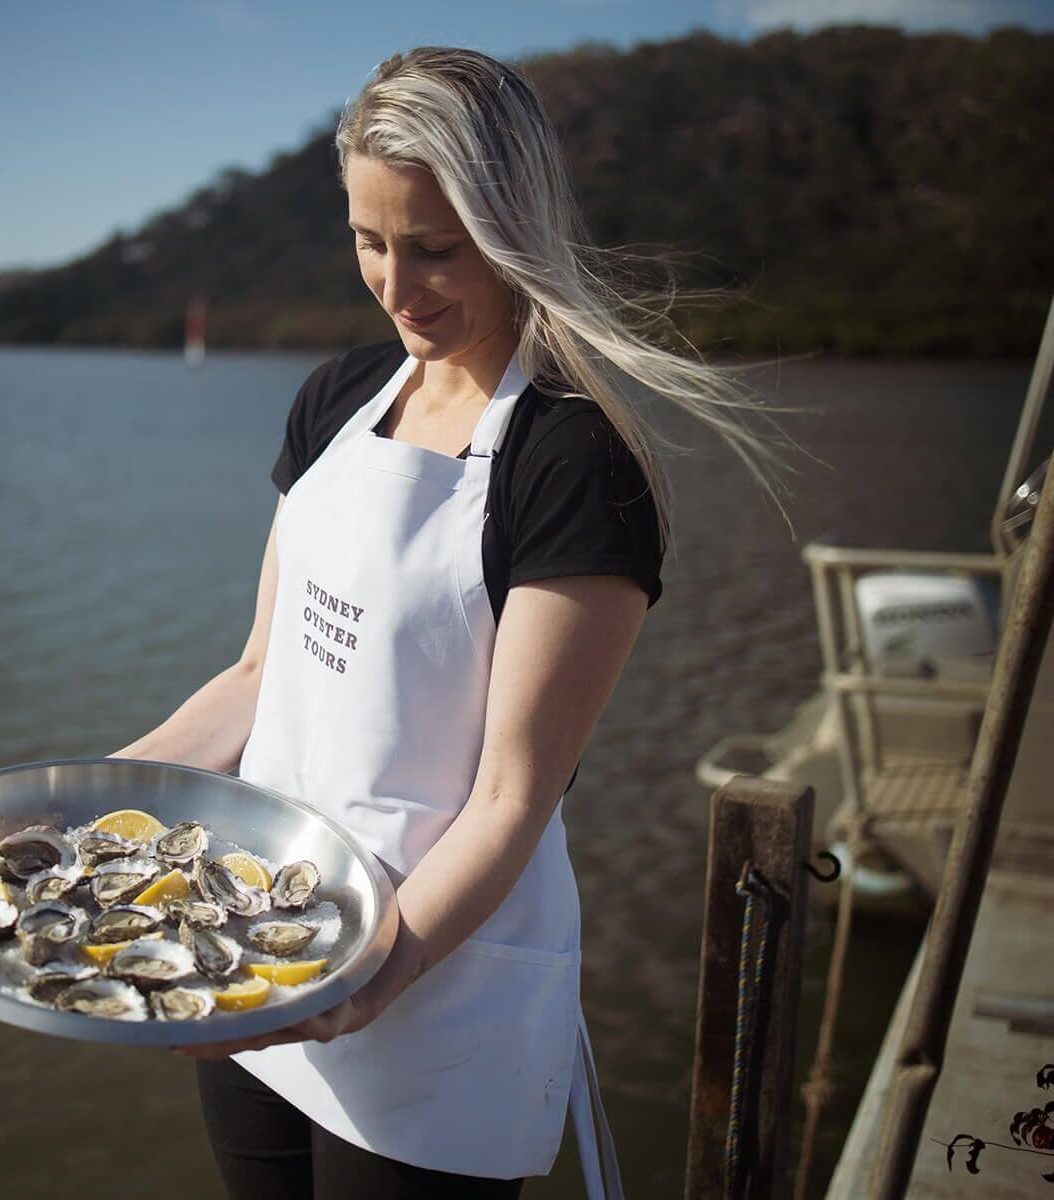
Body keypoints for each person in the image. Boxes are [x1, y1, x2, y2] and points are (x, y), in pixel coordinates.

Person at [112, 45, 785, 1200]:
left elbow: (514, 796)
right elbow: (259, 672)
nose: (396, 283)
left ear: (515, 225)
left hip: (436, 985)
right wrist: (93, 804)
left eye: (434, 247)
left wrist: (375, 971)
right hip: (256, 939)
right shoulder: (336, 399)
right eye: (370, 241)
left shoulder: (575, 460)